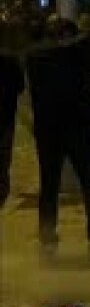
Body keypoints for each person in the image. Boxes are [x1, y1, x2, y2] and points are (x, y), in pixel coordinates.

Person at [25, 18, 90, 260]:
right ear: (70, 35)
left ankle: (48, 240)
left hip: (48, 129)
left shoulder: (35, 59)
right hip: (80, 127)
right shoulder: (81, 56)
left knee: (49, 185)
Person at [0, 46, 23, 207]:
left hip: (7, 111)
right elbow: (20, 86)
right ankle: (2, 190)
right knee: (4, 152)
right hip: (6, 112)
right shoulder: (10, 60)